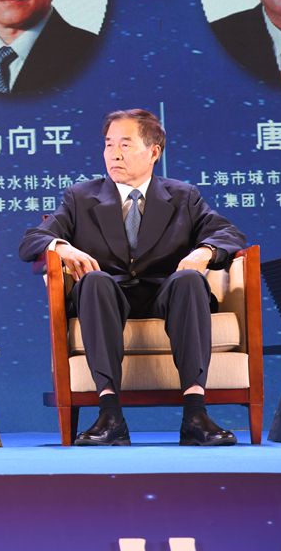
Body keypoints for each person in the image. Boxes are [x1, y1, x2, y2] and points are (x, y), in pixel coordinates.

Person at [19, 109, 245, 446]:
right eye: (109, 144)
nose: (114, 154)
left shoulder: (183, 196)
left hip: (165, 294)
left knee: (189, 280)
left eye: (125, 144)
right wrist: (62, 246)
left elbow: (230, 234)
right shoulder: (81, 197)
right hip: (107, 297)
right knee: (93, 281)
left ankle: (195, 415)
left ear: (153, 152)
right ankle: (110, 415)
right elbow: (31, 241)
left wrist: (204, 253)